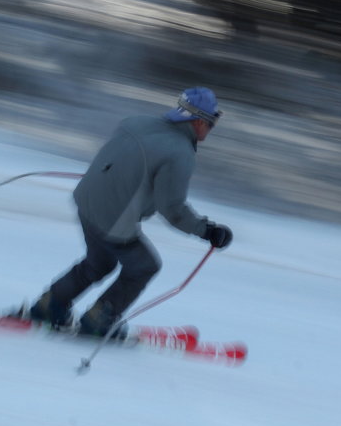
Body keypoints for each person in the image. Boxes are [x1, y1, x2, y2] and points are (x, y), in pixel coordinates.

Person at [23, 87, 233, 337]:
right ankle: (99, 320)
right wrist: (208, 231)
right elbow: (173, 209)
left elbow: (119, 158)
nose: (211, 129)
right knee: (144, 266)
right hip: (112, 216)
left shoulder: (136, 122)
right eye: (212, 123)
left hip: (86, 199)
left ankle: (49, 306)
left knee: (99, 262)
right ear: (199, 120)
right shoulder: (180, 153)